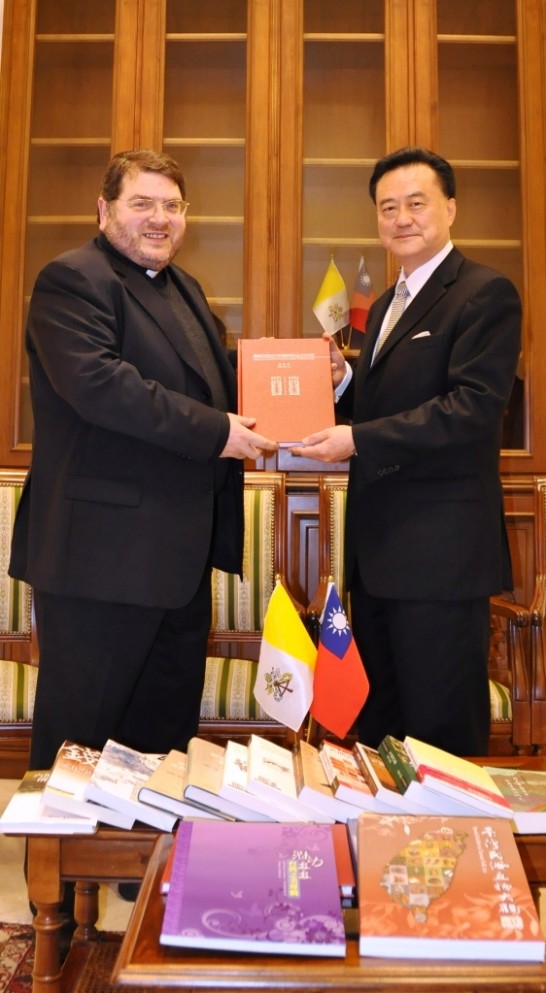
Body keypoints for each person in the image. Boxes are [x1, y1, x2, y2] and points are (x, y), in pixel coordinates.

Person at [9, 148, 278, 773]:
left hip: (175, 566)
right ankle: (66, 873)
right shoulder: (71, 278)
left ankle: (141, 873)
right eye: (142, 203)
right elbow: (103, 386)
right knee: (80, 748)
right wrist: (217, 432)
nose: (159, 219)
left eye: (172, 206)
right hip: (99, 563)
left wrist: (293, 376)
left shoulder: (182, 286)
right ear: (104, 210)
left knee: (160, 752)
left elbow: (209, 380)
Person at [293, 147, 521, 757]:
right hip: (378, 556)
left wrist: (358, 438)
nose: (401, 219)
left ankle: (450, 854)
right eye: (387, 207)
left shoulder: (483, 293)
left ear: (450, 207)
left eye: (416, 204)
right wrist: (345, 382)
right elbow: (388, 400)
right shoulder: (392, 302)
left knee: (440, 736)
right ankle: (386, 852)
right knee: (382, 734)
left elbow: (471, 409)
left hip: (441, 558)